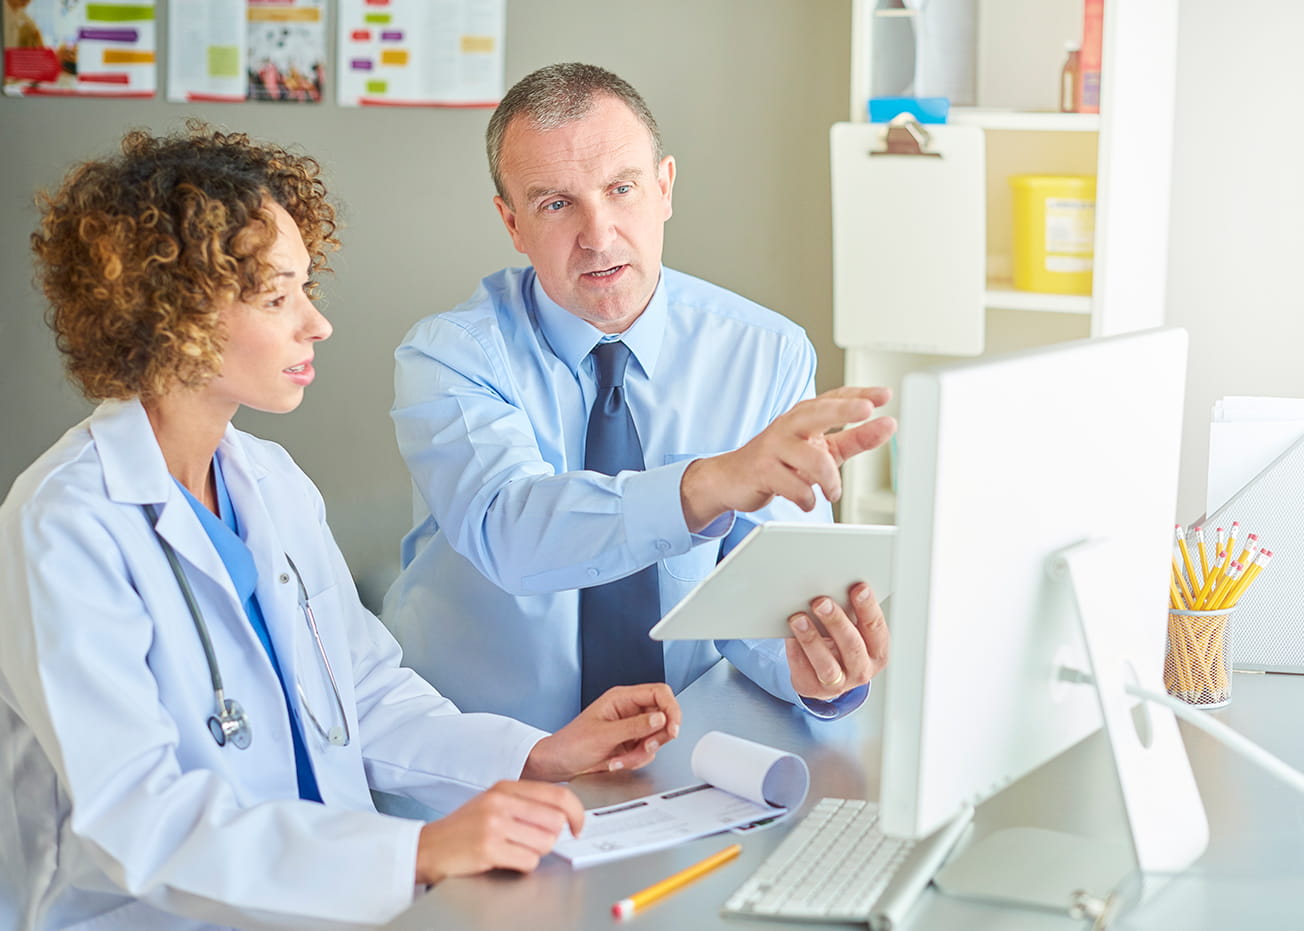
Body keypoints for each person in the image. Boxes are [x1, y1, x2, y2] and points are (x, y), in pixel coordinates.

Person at [0, 123, 681, 930]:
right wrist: (417, 852)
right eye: (277, 297)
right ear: (173, 314)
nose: (315, 323)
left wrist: (537, 754)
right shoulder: (65, 522)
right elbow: (139, 820)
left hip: (320, 906)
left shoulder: (271, 484)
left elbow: (365, 695)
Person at [382, 62, 897, 734]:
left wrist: (809, 666)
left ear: (664, 188)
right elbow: (513, 530)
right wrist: (709, 484)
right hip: (481, 759)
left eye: (620, 189)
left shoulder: (764, 354)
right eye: (556, 203)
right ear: (512, 224)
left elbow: (763, 594)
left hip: (670, 757)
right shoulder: (448, 357)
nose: (598, 235)